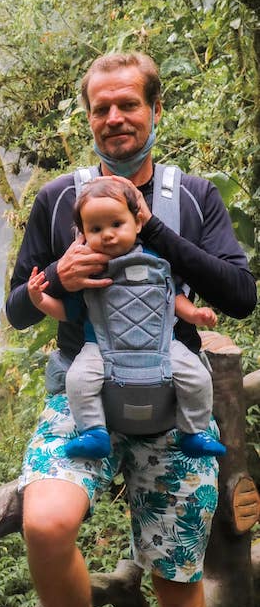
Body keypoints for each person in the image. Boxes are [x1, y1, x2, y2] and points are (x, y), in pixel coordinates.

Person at [5, 51, 257, 607]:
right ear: (89, 118)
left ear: (154, 109)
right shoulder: (59, 199)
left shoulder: (193, 197)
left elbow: (240, 296)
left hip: (173, 401)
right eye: (101, 108)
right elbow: (16, 310)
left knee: (179, 592)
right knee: (45, 525)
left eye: (128, 104)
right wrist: (60, 276)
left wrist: (155, 235)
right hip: (81, 390)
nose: (115, 117)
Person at [27, 176, 227, 459]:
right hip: (100, 347)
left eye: (116, 224)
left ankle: (193, 431)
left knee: (197, 376)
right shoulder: (88, 269)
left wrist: (195, 314)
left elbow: (171, 297)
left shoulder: (157, 260)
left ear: (137, 222)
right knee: (78, 378)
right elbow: (68, 312)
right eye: (96, 228)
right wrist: (40, 299)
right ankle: (93, 431)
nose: (107, 234)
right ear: (82, 233)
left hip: (163, 345)